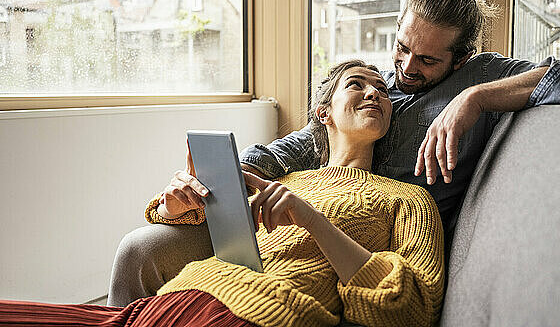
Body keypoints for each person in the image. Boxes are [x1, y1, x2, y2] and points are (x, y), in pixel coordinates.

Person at [107, 0, 560, 307]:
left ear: (462, 58)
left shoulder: (481, 79)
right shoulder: (375, 89)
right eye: (401, 49)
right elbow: (286, 153)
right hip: (293, 233)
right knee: (141, 248)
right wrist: (204, 180)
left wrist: (475, 100)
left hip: (372, 246)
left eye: (428, 61)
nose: (405, 70)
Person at [0, 60, 445, 327]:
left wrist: (315, 221)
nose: (374, 93)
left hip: (250, 314)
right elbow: (204, 223)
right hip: (168, 300)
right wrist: (175, 201)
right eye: (358, 85)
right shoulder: (286, 180)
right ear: (322, 113)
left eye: (383, 91)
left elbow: (411, 309)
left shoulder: (408, 199)